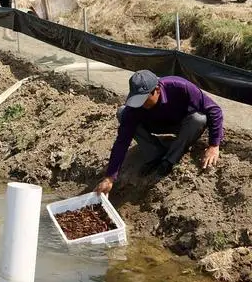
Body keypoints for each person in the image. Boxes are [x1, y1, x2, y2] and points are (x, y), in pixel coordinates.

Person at [95, 70, 224, 195]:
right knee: (123, 113)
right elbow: (122, 140)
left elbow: (214, 110)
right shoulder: (135, 107)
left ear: (156, 90)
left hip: (181, 124)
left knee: (199, 118)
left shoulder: (180, 86)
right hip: (154, 124)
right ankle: (155, 154)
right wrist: (110, 177)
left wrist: (214, 145)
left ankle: (169, 160)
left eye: (144, 99)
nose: (141, 104)